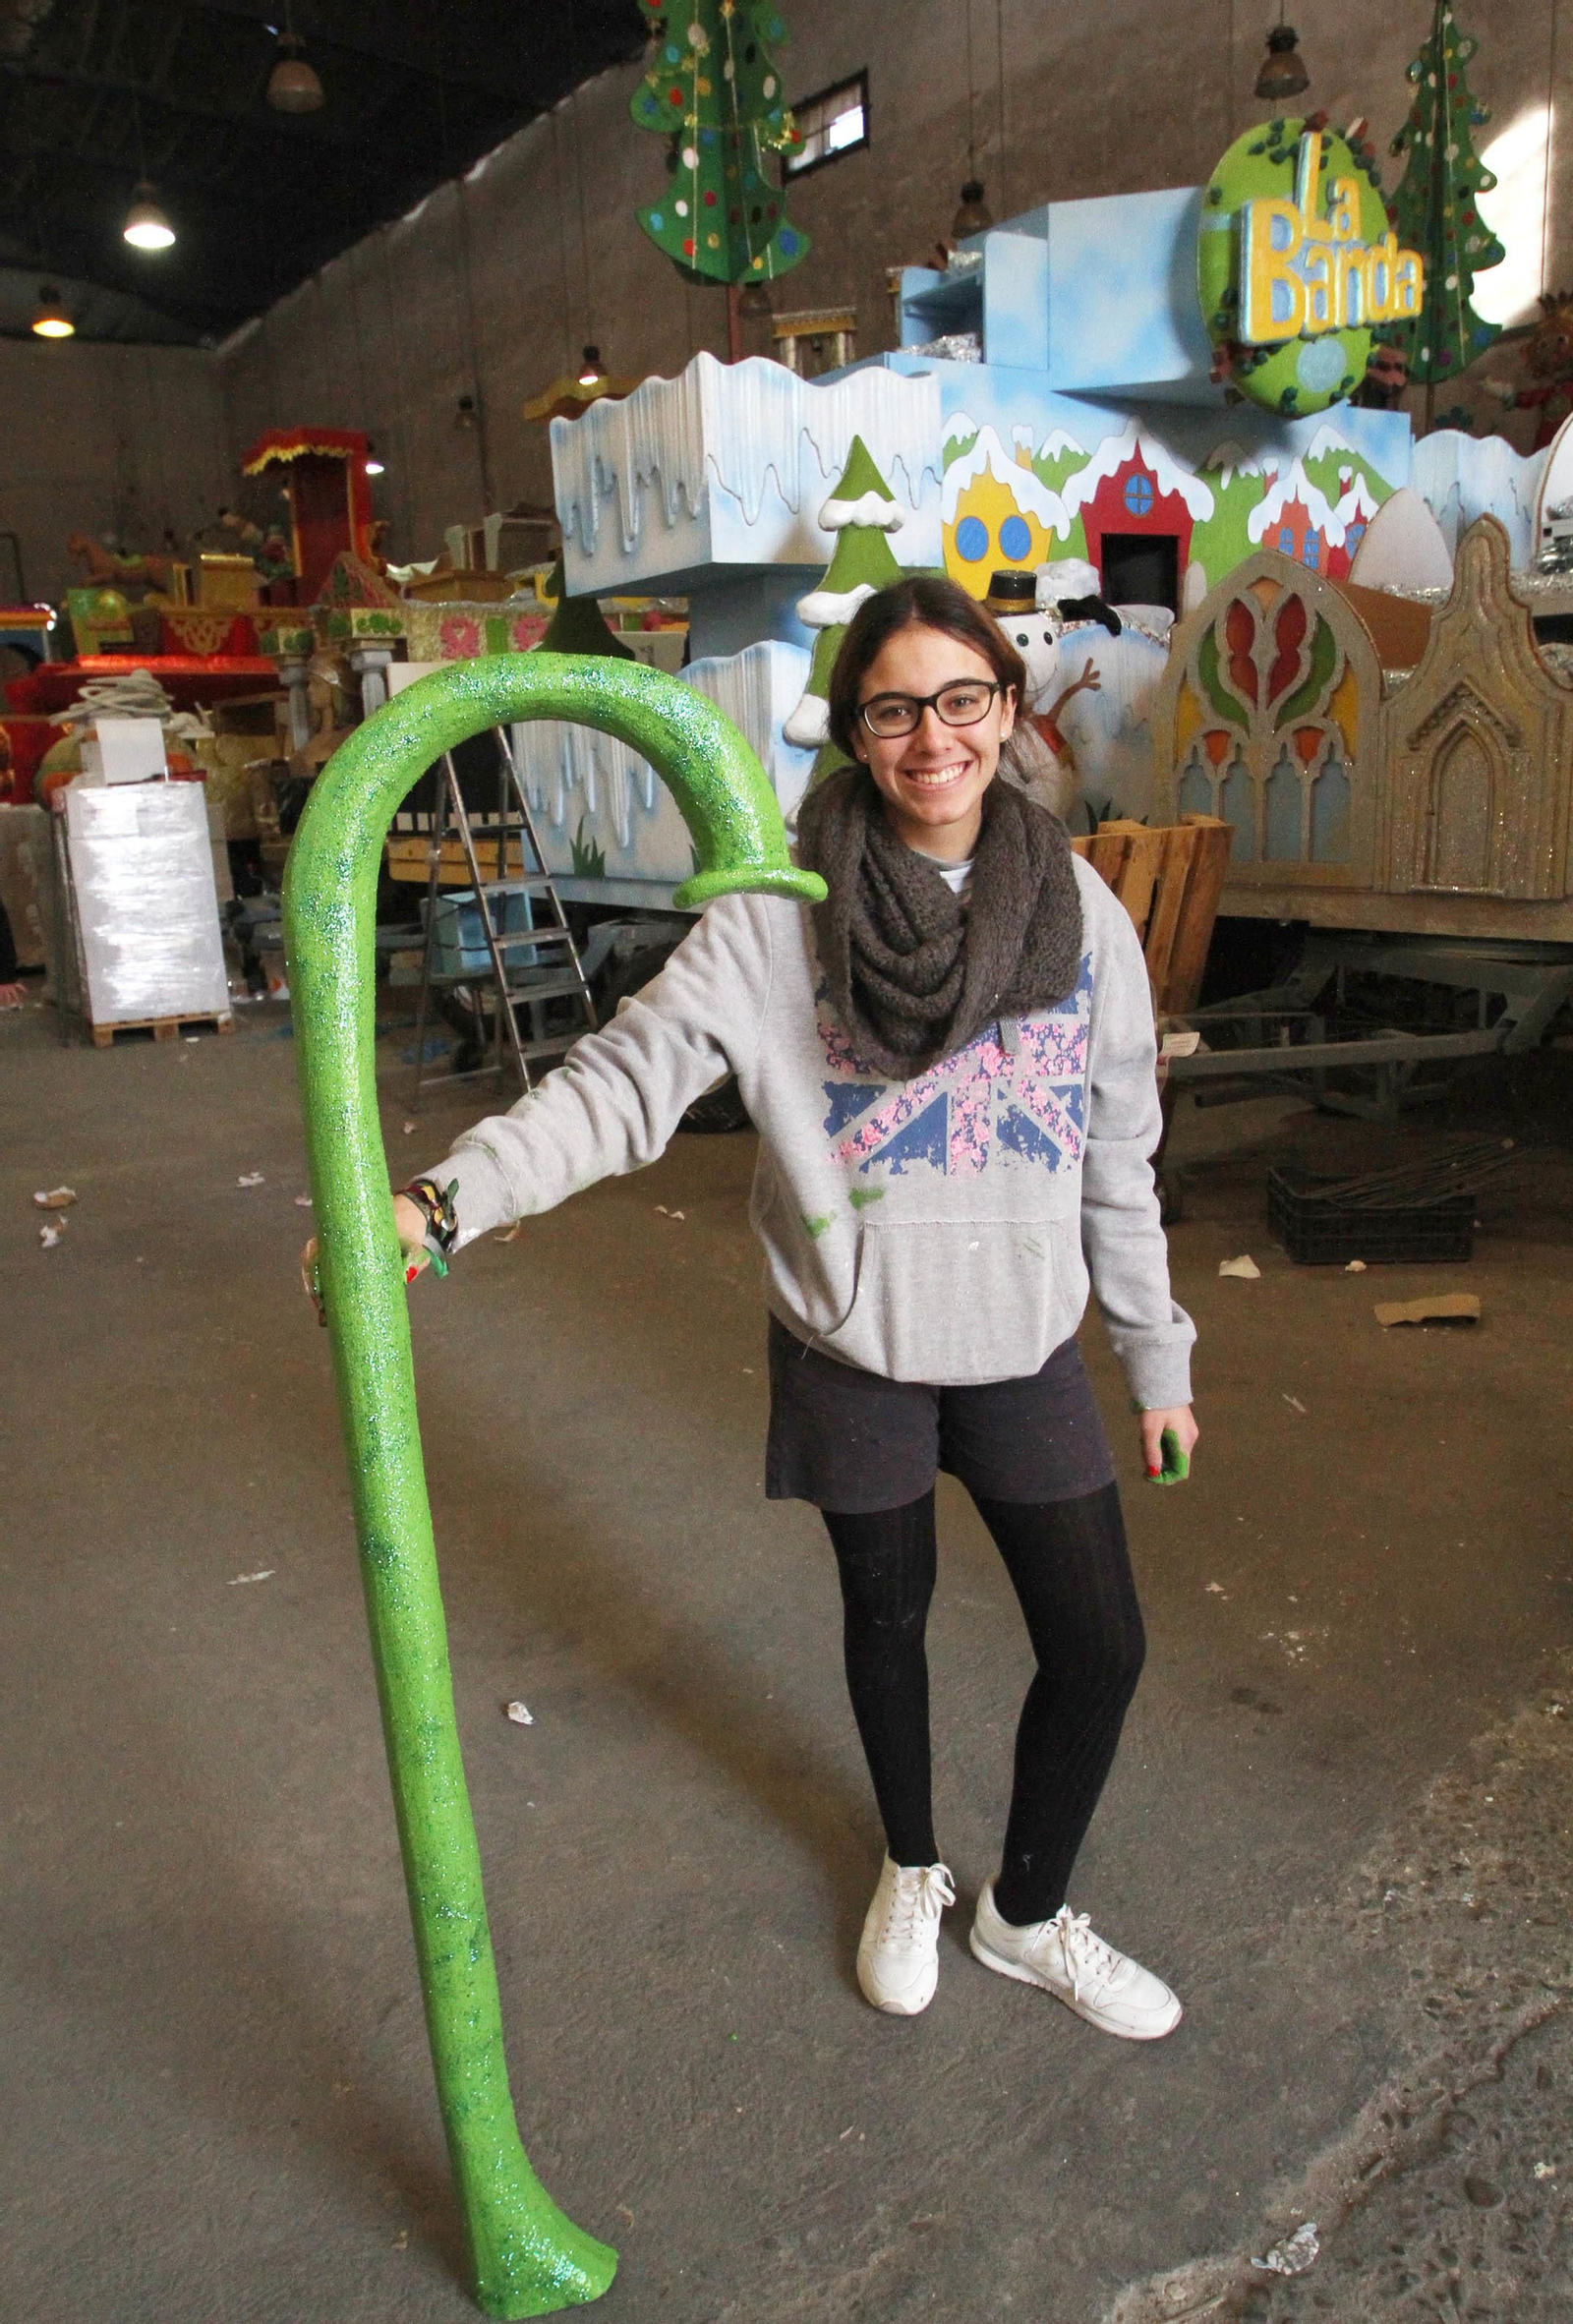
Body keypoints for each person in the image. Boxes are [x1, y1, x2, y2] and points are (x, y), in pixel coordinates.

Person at [376, 576, 1197, 2035]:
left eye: (961, 699)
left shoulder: (1080, 917)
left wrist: (1156, 1358)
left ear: (1006, 709)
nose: (933, 738)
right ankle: (911, 1864)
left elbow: (1116, 1156)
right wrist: (449, 1201)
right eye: (894, 710)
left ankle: (1023, 1914)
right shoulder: (778, 922)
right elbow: (623, 1084)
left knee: (1101, 1644)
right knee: (888, 1617)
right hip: (852, 1345)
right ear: (855, 733)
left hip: (1022, 1343)